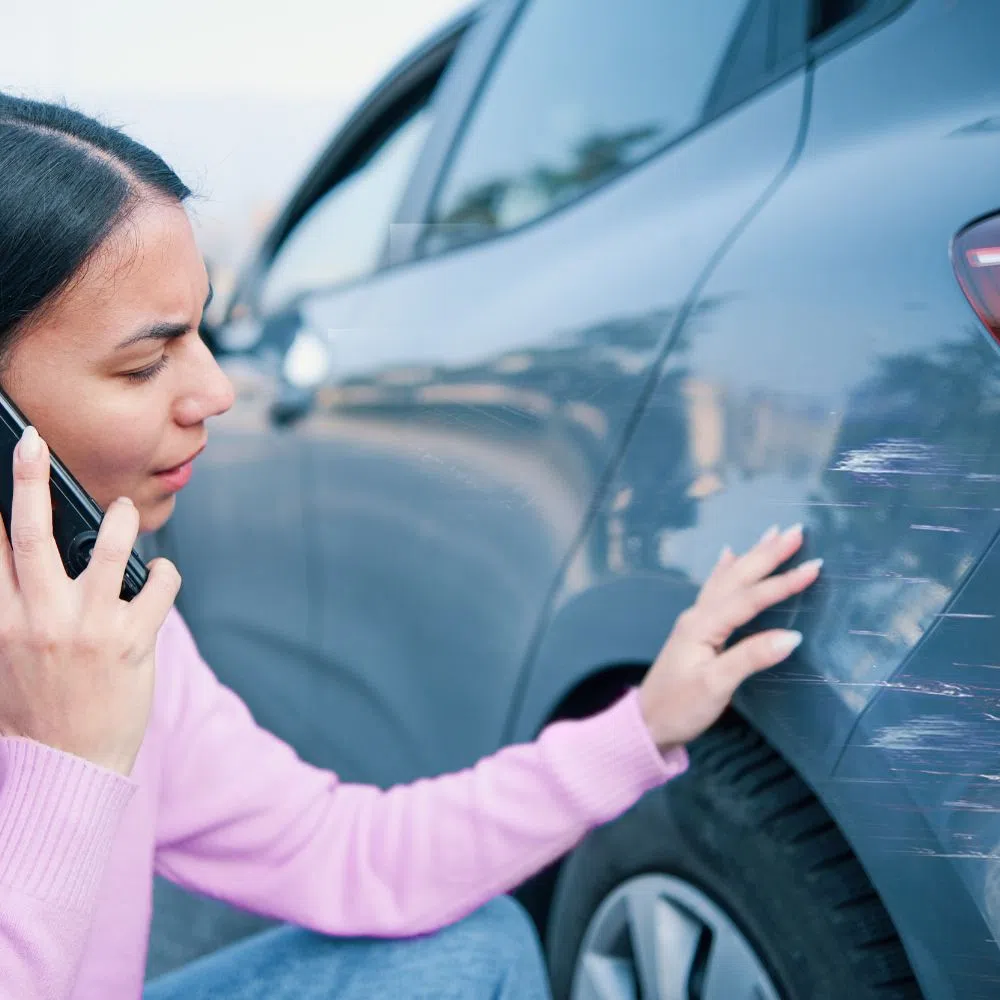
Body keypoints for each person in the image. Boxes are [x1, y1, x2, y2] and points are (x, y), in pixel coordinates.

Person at [0, 94, 823, 1000]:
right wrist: (68, 758)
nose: (217, 391)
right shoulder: (91, 672)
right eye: (145, 363)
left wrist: (640, 726)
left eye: (203, 329)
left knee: (471, 944)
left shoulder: (112, 631)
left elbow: (342, 852)